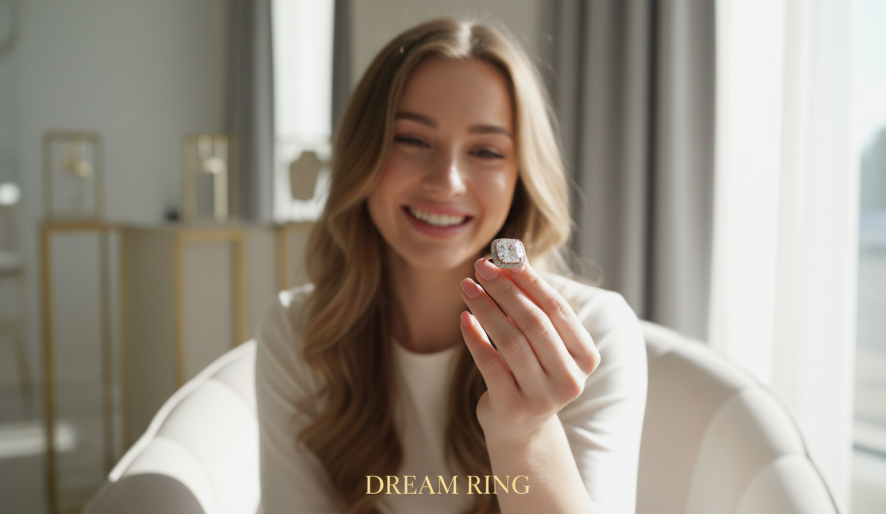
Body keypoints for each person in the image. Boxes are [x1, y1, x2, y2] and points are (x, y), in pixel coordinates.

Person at [255, 17, 647, 514]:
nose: (446, 181)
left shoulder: (593, 335)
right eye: (413, 140)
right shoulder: (299, 334)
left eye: (485, 151)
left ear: (520, 179)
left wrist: (524, 433)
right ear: (363, 155)